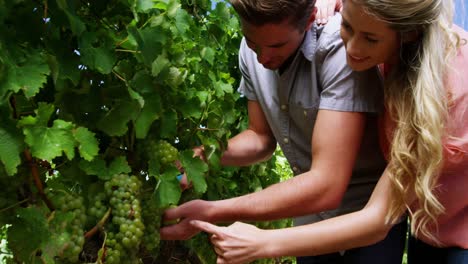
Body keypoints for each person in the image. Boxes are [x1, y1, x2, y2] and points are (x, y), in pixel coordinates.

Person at [191, 0, 468, 263]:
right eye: (346, 26)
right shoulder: (374, 25)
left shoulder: (446, 93)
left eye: (370, 38)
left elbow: (376, 219)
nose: (352, 49)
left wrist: (261, 242)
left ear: (408, 34)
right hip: (428, 225)